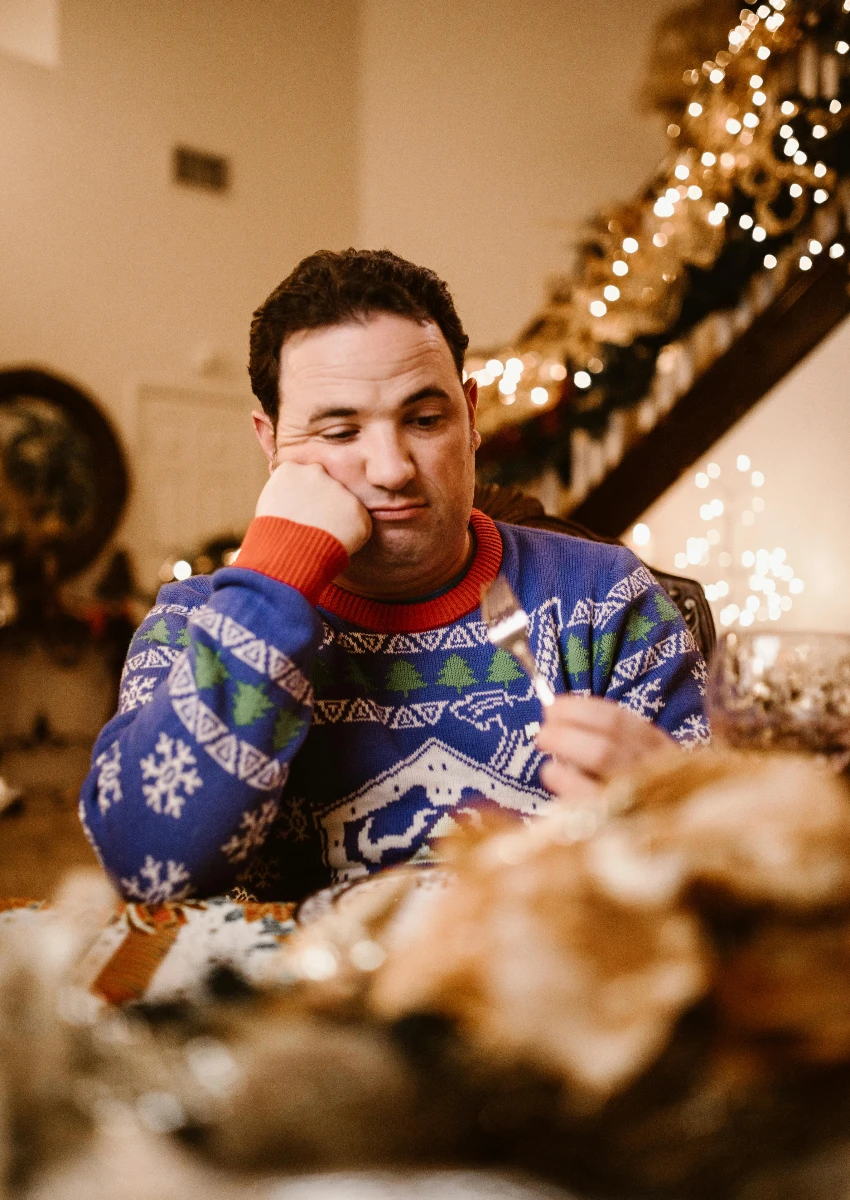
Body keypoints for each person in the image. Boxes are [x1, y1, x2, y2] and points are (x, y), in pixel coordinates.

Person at [79, 249, 709, 904]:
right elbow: (150, 871)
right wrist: (270, 583)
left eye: (425, 420)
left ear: (470, 418)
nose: (391, 468)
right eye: (340, 430)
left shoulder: (605, 597)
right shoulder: (191, 624)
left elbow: (736, 866)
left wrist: (674, 811)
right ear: (270, 444)